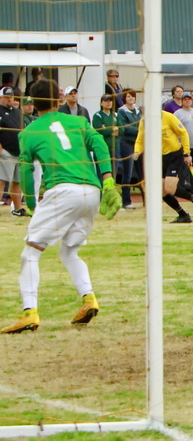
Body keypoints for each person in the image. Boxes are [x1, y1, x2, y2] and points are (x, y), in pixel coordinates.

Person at [1, 78, 119, 334]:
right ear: (59, 100)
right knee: (69, 252)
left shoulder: (29, 132)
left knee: (30, 253)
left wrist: (32, 204)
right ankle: (89, 298)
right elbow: (99, 144)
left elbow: (26, 171)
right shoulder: (78, 121)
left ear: (33, 103)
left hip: (63, 191)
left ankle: (29, 313)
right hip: (91, 191)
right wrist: (108, 179)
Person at [133, 109, 193, 223]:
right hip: (159, 158)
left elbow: (183, 133)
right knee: (161, 191)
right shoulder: (144, 121)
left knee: (170, 188)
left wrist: (187, 153)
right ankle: (183, 215)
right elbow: (140, 139)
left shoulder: (169, 117)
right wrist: (137, 151)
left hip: (174, 156)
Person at [0, 86, 26, 216]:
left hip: (18, 151)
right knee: (2, 180)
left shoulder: (17, 112)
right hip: (5, 151)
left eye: (11, 97)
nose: (9, 99)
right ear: (1, 98)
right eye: (6, 97)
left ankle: (17, 208)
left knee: (17, 182)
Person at [116, 89, 141, 210]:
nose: (131, 98)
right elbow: (125, 128)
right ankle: (126, 201)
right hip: (127, 144)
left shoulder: (137, 110)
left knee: (142, 172)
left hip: (139, 143)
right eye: (128, 96)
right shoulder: (121, 111)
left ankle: (147, 200)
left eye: (133, 96)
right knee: (128, 172)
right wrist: (140, 131)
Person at [91, 93, 119, 176]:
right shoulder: (98, 116)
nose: (108, 102)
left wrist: (107, 128)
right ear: (101, 103)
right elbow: (99, 131)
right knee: (102, 173)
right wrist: (113, 129)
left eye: (110, 101)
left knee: (113, 173)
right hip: (102, 148)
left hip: (114, 148)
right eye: (106, 101)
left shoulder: (115, 115)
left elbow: (121, 130)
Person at [174, 91, 193, 166]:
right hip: (184, 145)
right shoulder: (177, 113)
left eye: (189, 99)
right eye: (185, 99)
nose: (187, 101)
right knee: (185, 166)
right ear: (182, 101)